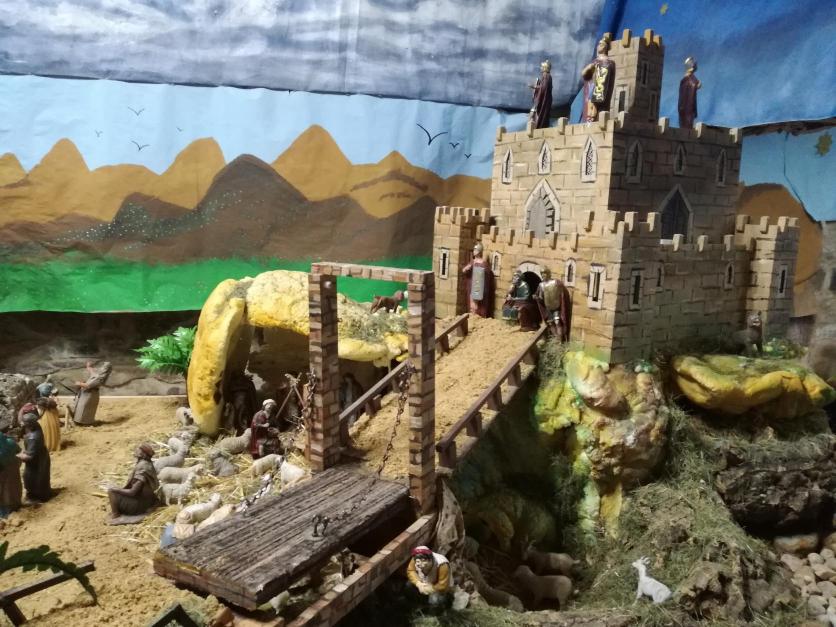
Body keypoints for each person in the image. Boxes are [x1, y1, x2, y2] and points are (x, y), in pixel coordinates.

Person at [108, 444, 159, 519]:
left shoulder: (142, 468)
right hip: (148, 500)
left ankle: (115, 514)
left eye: (139, 449)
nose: (136, 450)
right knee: (116, 490)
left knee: (111, 491)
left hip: (140, 505)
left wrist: (115, 489)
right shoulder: (147, 464)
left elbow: (132, 492)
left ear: (143, 454)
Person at [581, 34, 615, 122]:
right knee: (590, 103)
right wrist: (589, 68)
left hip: (600, 89)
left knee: (596, 106)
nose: (599, 46)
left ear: (606, 47)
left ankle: (593, 117)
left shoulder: (609, 62)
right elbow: (584, 75)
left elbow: (607, 79)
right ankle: (589, 118)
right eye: (599, 44)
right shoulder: (594, 62)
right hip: (592, 86)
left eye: (602, 44)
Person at [17, 413, 51, 502]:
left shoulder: (33, 438)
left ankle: (36, 497)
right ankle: (42, 493)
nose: (22, 424)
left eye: (24, 423)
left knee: (31, 479)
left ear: (29, 425)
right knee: (42, 476)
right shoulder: (37, 426)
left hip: (35, 462)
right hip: (41, 455)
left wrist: (17, 456)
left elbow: (29, 457)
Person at [533, 268, 571, 342]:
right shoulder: (541, 285)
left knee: (557, 322)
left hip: (557, 307)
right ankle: (556, 339)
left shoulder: (556, 282)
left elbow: (562, 294)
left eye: (544, 273)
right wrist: (536, 298)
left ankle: (560, 341)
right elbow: (541, 298)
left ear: (548, 274)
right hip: (548, 308)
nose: (543, 275)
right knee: (550, 323)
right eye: (542, 274)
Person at [71, 361, 112, 425]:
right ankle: (78, 421)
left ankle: (83, 423)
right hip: (87, 394)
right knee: (81, 408)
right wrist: (89, 367)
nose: (101, 367)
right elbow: (93, 372)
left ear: (105, 369)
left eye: (103, 367)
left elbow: (88, 385)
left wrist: (79, 383)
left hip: (89, 395)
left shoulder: (99, 378)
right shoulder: (99, 375)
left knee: (84, 409)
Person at [461, 243, 494, 318]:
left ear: (479, 251)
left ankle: (480, 317)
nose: (474, 251)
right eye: (474, 250)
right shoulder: (472, 262)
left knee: (480, 305)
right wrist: (466, 269)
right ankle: (472, 315)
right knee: (472, 304)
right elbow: (464, 271)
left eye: (476, 250)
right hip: (472, 285)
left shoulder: (484, 263)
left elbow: (487, 275)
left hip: (480, 287)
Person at [0, 427, 22, 517]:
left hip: (3, 473)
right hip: (13, 469)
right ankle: (16, 504)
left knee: (4, 492)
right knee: (15, 488)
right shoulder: (10, 442)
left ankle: (5, 511)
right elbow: (19, 450)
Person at [678, 56, 701, 129]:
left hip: (691, 105)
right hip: (686, 106)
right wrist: (696, 85)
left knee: (690, 120)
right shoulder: (685, 79)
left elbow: (696, 83)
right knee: (687, 120)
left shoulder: (692, 77)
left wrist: (696, 85)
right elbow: (693, 85)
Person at [529, 60, 553, 129]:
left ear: (545, 68)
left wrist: (535, 87)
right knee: (543, 114)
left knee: (542, 114)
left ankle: (539, 127)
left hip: (544, 99)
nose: (541, 68)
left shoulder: (546, 76)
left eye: (542, 67)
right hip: (546, 99)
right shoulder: (547, 76)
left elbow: (543, 88)